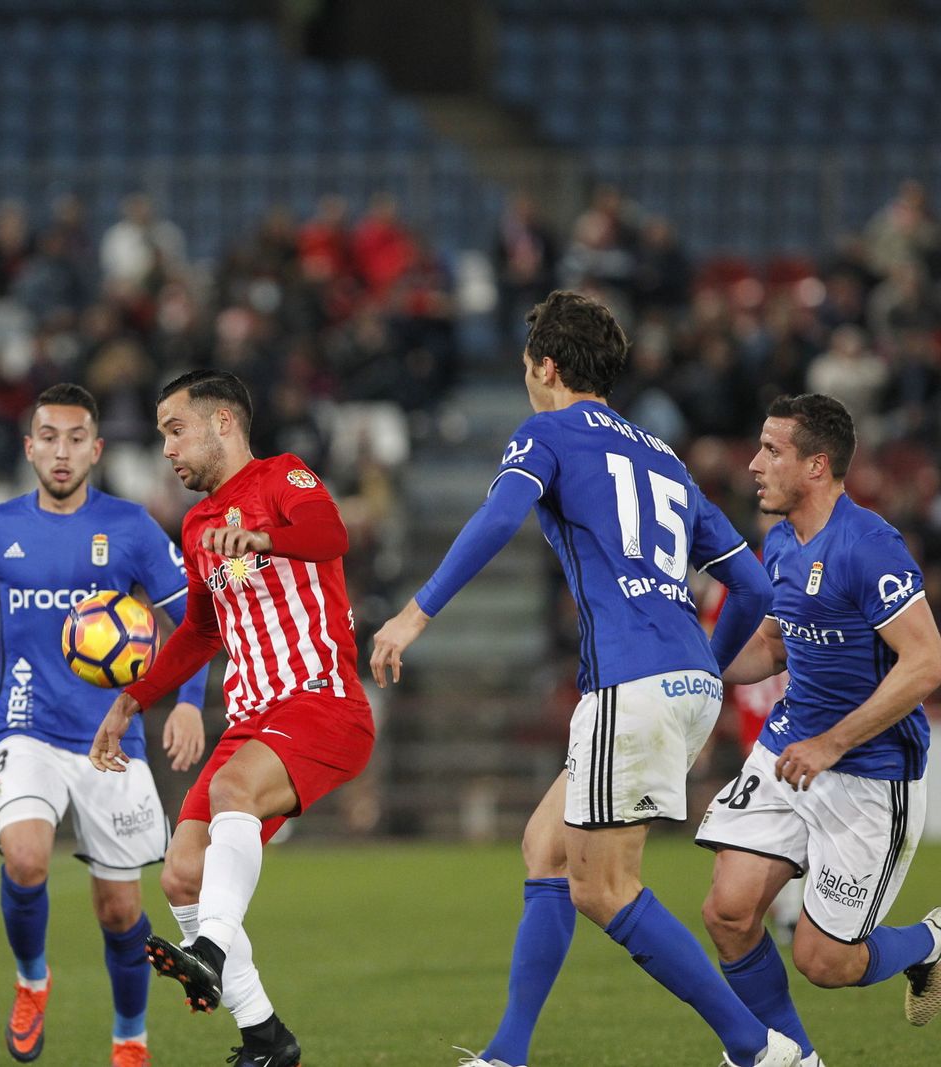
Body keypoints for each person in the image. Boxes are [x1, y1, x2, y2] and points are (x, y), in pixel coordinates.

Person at [370, 290, 798, 1067]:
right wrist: (708, 666)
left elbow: (500, 517)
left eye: (530, 366)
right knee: (546, 846)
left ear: (549, 366)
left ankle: (756, 1048)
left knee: (603, 888)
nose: (529, 380)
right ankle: (508, 1053)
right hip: (682, 678)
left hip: (630, 680)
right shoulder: (661, 452)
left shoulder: (549, 431)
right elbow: (758, 587)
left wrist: (414, 613)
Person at [0, 382, 209, 1067]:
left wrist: (186, 701)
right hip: (23, 727)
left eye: (75, 438)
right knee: (26, 859)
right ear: (30, 447)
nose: (62, 452)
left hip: (110, 737)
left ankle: (130, 1037)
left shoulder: (131, 528)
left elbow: (195, 622)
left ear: (97, 447)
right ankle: (33, 979)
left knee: (120, 913)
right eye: (49, 438)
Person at [89, 369, 374, 1067]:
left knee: (229, 794)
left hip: (320, 702)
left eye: (175, 429)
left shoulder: (283, 477)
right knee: (182, 873)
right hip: (251, 721)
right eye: (161, 435)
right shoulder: (196, 524)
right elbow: (200, 630)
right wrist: (132, 697)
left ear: (223, 423)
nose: (166, 448)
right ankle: (266, 1038)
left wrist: (263, 540)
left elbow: (329, 530)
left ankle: (210, 949)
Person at [698, 394, 941, 1065]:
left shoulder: (868, 546)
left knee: (824, 960)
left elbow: (927, 660)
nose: (753, 463)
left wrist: (834, 742)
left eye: (771, 450)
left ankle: (930, 942)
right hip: (787, 750)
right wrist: (697, 661)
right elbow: (774, 645)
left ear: (816, 465)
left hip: (868, 774)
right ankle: (791, 1055)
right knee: (727, 910)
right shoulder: (779, 541)